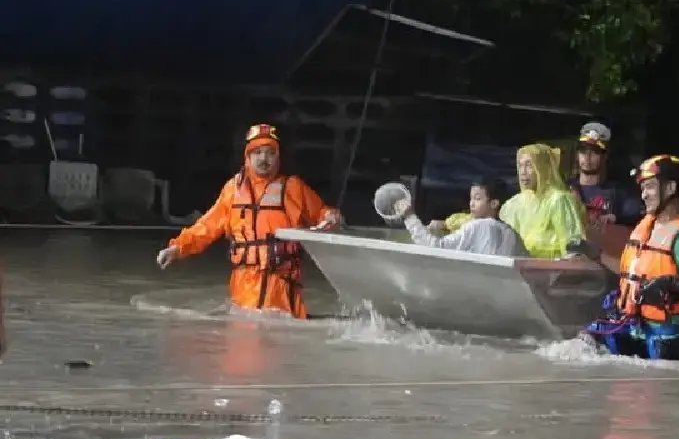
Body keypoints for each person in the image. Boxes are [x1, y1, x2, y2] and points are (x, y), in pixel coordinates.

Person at [155, 124, 341, 319]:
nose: (263, 158)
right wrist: (177, 248)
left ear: (278, 157)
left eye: (270, 153)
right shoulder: (232, 190)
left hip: (281, 293)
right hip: (242, 292)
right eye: (257, 152)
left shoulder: (294, 188)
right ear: (248, 156)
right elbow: (206, 226)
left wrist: (331, 217)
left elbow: (323, 214)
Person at [583, 155, 679, 360]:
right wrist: (597, 255)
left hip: (663, 332)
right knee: (587, 340)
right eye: (642, 188)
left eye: (650, 187)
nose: (644, 195)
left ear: (671, 188)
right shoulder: (644, 226)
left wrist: (669, 283)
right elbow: (631, 273)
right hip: (630, 323)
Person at [387, 179, 528, 257]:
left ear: (494, 203)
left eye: (477, 199)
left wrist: (410, 217)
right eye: (471, 198)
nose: (471, 203)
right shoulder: (512, 234)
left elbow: (436, 247)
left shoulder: (477, 226)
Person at [499, 143, 587, 259]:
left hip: (552, 268)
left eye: (529, 165)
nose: (523, 171)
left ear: (543, 168)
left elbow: (572, 245)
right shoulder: (514, 204)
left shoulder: (558, 200)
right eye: (520, 165)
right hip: (520, 267)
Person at [566, 122, 643, 227]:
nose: (587, 156)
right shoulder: (566, 189)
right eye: (583, 151)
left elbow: (636, 214)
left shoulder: (619, 192)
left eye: (594, 152)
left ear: (605, 156)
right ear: (577, 155)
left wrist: (617, 219)